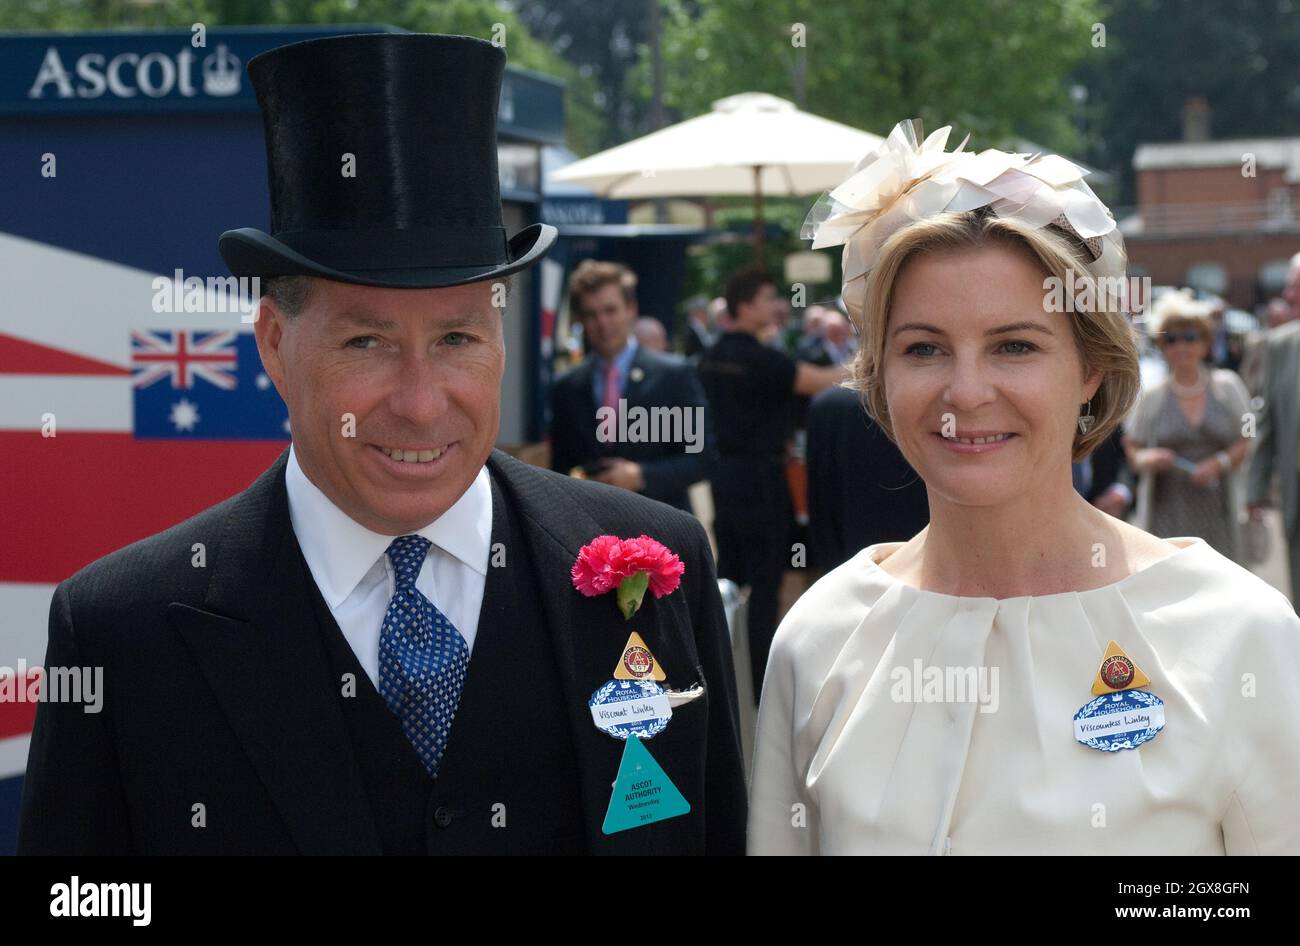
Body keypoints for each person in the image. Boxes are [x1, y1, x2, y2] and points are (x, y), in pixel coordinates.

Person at [18, 33, 745, 856]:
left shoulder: (657, 571)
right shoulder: (123, 628)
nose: (420, 401)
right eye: (365, 343)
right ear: (272, 343)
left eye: (457, 339)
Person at [749, 119, 1300, 855]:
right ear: (880, 374)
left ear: (1091, 368)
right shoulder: (820, 638)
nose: (966, 391)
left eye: (1015, 345)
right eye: (924, 348)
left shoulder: (1238, 634)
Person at [697, 266, 843, 702]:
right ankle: (761, 685)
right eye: (766, 297)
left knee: (730, 576)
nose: (776, 303)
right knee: (765, 582)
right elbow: (813, 382)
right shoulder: (761, 358)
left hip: (725, 476)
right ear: (744, 305)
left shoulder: (712, 354)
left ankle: (725, 675)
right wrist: (864, 362)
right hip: (762, 478)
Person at [550, 260, 711, 512]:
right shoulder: (566, 387)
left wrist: (641, 475)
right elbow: (559, 467)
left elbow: (703, 458)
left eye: (610, 310)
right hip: (594, 533)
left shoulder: (674, 375)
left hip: (660, 528)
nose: (602, 323)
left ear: (631, 310)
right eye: (591, 315)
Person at [1122, 290, 1252, 564]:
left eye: (1190, 337)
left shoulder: (1227, 387)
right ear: (1161, 346)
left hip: (1221, 507)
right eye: (1171, 339)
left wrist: (1220, 463)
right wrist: (1148, 458)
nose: (1181, 346)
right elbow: (1131, 445)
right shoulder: (1153, 395)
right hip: (1167, 511)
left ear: (1205, 343)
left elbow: (1249, 435)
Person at [805, 384, 929, 573]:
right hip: (921, 561)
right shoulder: (932, 404)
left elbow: (820, 504)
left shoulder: (828, 405)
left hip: (845, 563)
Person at [1247, 287, 1300, 610]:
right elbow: (1266, 423)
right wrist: (1256, 488)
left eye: (1297, 287)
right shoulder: (1281, 345)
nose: (1289, 294)